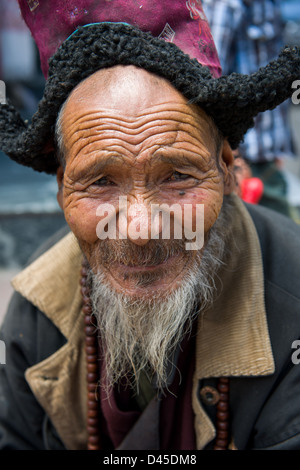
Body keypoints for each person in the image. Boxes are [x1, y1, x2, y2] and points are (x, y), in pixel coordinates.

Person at [0, 0, 300, 451]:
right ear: (63, 188)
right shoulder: (37, 313)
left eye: (177, 175)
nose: (141, 228)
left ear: (225, 169)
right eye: (101, 181)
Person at [202, 0, 297, 216]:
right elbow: (210, 83)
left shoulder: (267, 5)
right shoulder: (225, 5)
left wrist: (274, 150)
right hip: (242, 158)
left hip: (264, 156)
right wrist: (232, 158)